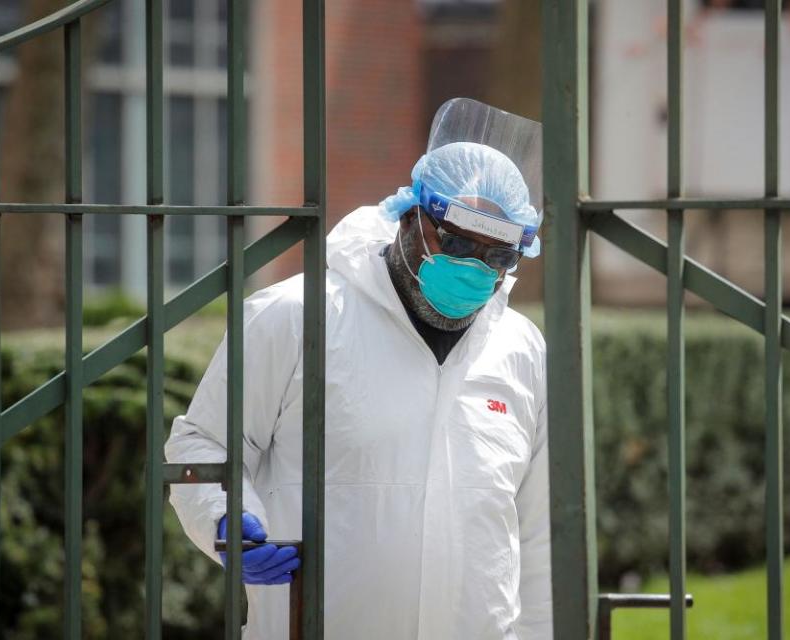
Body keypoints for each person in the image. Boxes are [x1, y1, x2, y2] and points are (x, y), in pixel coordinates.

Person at [165, 98, 551, 639]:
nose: (474, 267)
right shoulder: (298, 318)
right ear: (410, 216)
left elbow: (539, 535)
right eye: (459, 241)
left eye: (497, 256)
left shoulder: (520, 349)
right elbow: (204, 444)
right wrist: (224, 519)